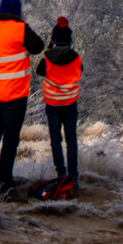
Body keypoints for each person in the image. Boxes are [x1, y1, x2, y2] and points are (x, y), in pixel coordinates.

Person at [0, 0, 45, 191]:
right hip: (15, 95)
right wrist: (23, 24)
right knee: (10, 139)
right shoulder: (20, 29)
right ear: (18, 12)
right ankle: (5, 183)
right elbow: (38, 47)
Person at [36, 17, 81, 182]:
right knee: (71, 139)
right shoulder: (76, 58)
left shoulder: (47, 59)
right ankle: (73, 175)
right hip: (70, 102)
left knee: (56, 139)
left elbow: (39, 71)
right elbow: (80, 72)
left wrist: (48, 49)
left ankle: (60, 173)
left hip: (52, 103)